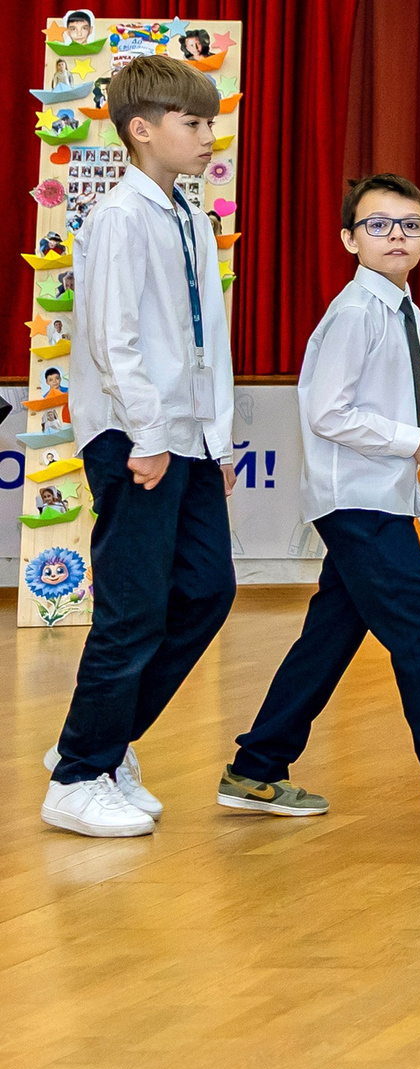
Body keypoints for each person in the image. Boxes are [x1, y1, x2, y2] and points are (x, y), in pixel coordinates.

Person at [220, 174, 420, 824]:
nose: (395, 235)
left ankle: (257, 765)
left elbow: (376, 407)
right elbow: (329, 412)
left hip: (377, 495)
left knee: (328, 640)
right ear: (349, 238)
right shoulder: (356, 313)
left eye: (409, 224)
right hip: (355, 501)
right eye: (378, 224)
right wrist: (417, 443)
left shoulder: (402, 311)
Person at [40, 55, 234, 838]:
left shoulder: (187, 211)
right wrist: (149, 437)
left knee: (207, 591)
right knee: (133, 608)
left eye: (210, 123)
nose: (207, 138)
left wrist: (214, 438)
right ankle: (79, 775)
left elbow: (205, 335)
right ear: (142, 129)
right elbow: (114, 338)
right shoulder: (118, 215)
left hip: (186, 437)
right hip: (135, 437)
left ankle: (99, 742)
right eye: (193, 123)